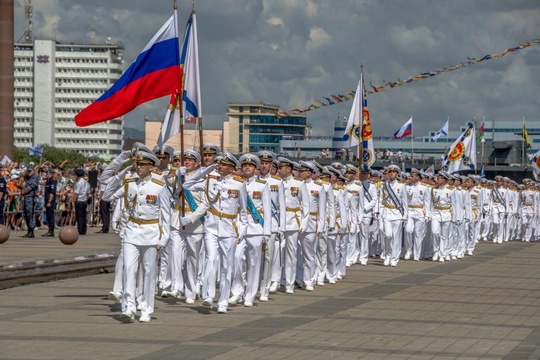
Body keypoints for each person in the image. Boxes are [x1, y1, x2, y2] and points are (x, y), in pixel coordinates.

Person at [103, 151, 172, 323]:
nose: (139, 167)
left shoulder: (159, 186)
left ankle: (147, 308)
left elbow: (166, 215)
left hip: (151, 231)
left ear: (151, 168)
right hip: (132, 230)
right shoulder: (129, 183)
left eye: (143, 165)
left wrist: (164, 239)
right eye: (138, 164)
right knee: (129, 268)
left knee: (149, 271)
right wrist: (119, 176)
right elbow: (106, 196)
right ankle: (129, 306)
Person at [183, 152, 249, 314]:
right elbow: (187, 185)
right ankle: (208, 295)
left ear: (232, 168)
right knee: (210, 259)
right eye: (219, 164)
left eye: (224, 165)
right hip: (211, 227)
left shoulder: (239, 185)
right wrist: (205, 172)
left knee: (227, 266)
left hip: (229, 229)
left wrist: (242, 230)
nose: (219, 166)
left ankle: (223, 301)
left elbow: (244, 211)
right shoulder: (209, 181)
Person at [19, 166, 39, 238]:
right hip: (26, 198)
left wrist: (23, 193)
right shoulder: (27, 177)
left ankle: (31, 231)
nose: (29, 172)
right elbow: (21, 180)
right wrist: (24, 174)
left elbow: (30, 188)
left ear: (33, 171)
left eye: (30, 171)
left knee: (30, 214)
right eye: (28, 171)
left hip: (31, 197)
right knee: (26, 214)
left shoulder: (34, 178)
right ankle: (29, 231)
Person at [72, 169, 90, 235]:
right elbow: (88, 193)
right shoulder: (87, 183)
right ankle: (84, 229)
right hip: (84, 200)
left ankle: (80, 229)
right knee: (83, 216)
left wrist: (72, 201)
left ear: (77, 175)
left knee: (79, 216)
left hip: (79, 200)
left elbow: (76, 193)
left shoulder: (78, 183)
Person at [42, 169, 57, 237]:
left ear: (51, 174)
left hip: (50, 202)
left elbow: (52, 192)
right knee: (48, 216)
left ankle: (51, 231)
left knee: (50, 216)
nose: (47, 175)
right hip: (47, 201)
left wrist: (49, 201)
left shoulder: (52, 182)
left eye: (48, 174)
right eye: (46, 174)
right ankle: (49, 230)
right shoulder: (47, 182)